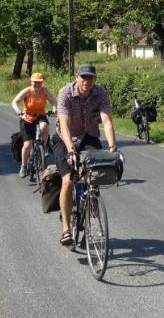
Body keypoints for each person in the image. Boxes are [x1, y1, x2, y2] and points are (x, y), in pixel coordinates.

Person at [53, 64, 117, 246]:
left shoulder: (100, 93)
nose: (87, 81)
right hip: (64, 138)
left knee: (95, 175)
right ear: (77, 77)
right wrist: (71, 150)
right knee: (68, 180)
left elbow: (106, 120)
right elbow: (63, 123)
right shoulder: (65, 92)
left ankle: (90, 203)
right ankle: (66, 230)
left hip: (89, 137)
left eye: (91, 78)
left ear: (95, 79)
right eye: (83, 77)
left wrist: (112, 148)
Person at [10, 72, 57, 178]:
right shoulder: (27, 91)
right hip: (27, 117)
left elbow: (54, 102)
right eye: (35, 82)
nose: (37, 84)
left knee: (44, 127)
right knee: (27, 144)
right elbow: (14, 102)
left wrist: (54, 108)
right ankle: (24, 166)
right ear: (31, 82)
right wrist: (18, 111)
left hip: (40, 115)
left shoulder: (45, 91)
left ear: (42, 82)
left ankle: (43, 147)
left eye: (39, 82)